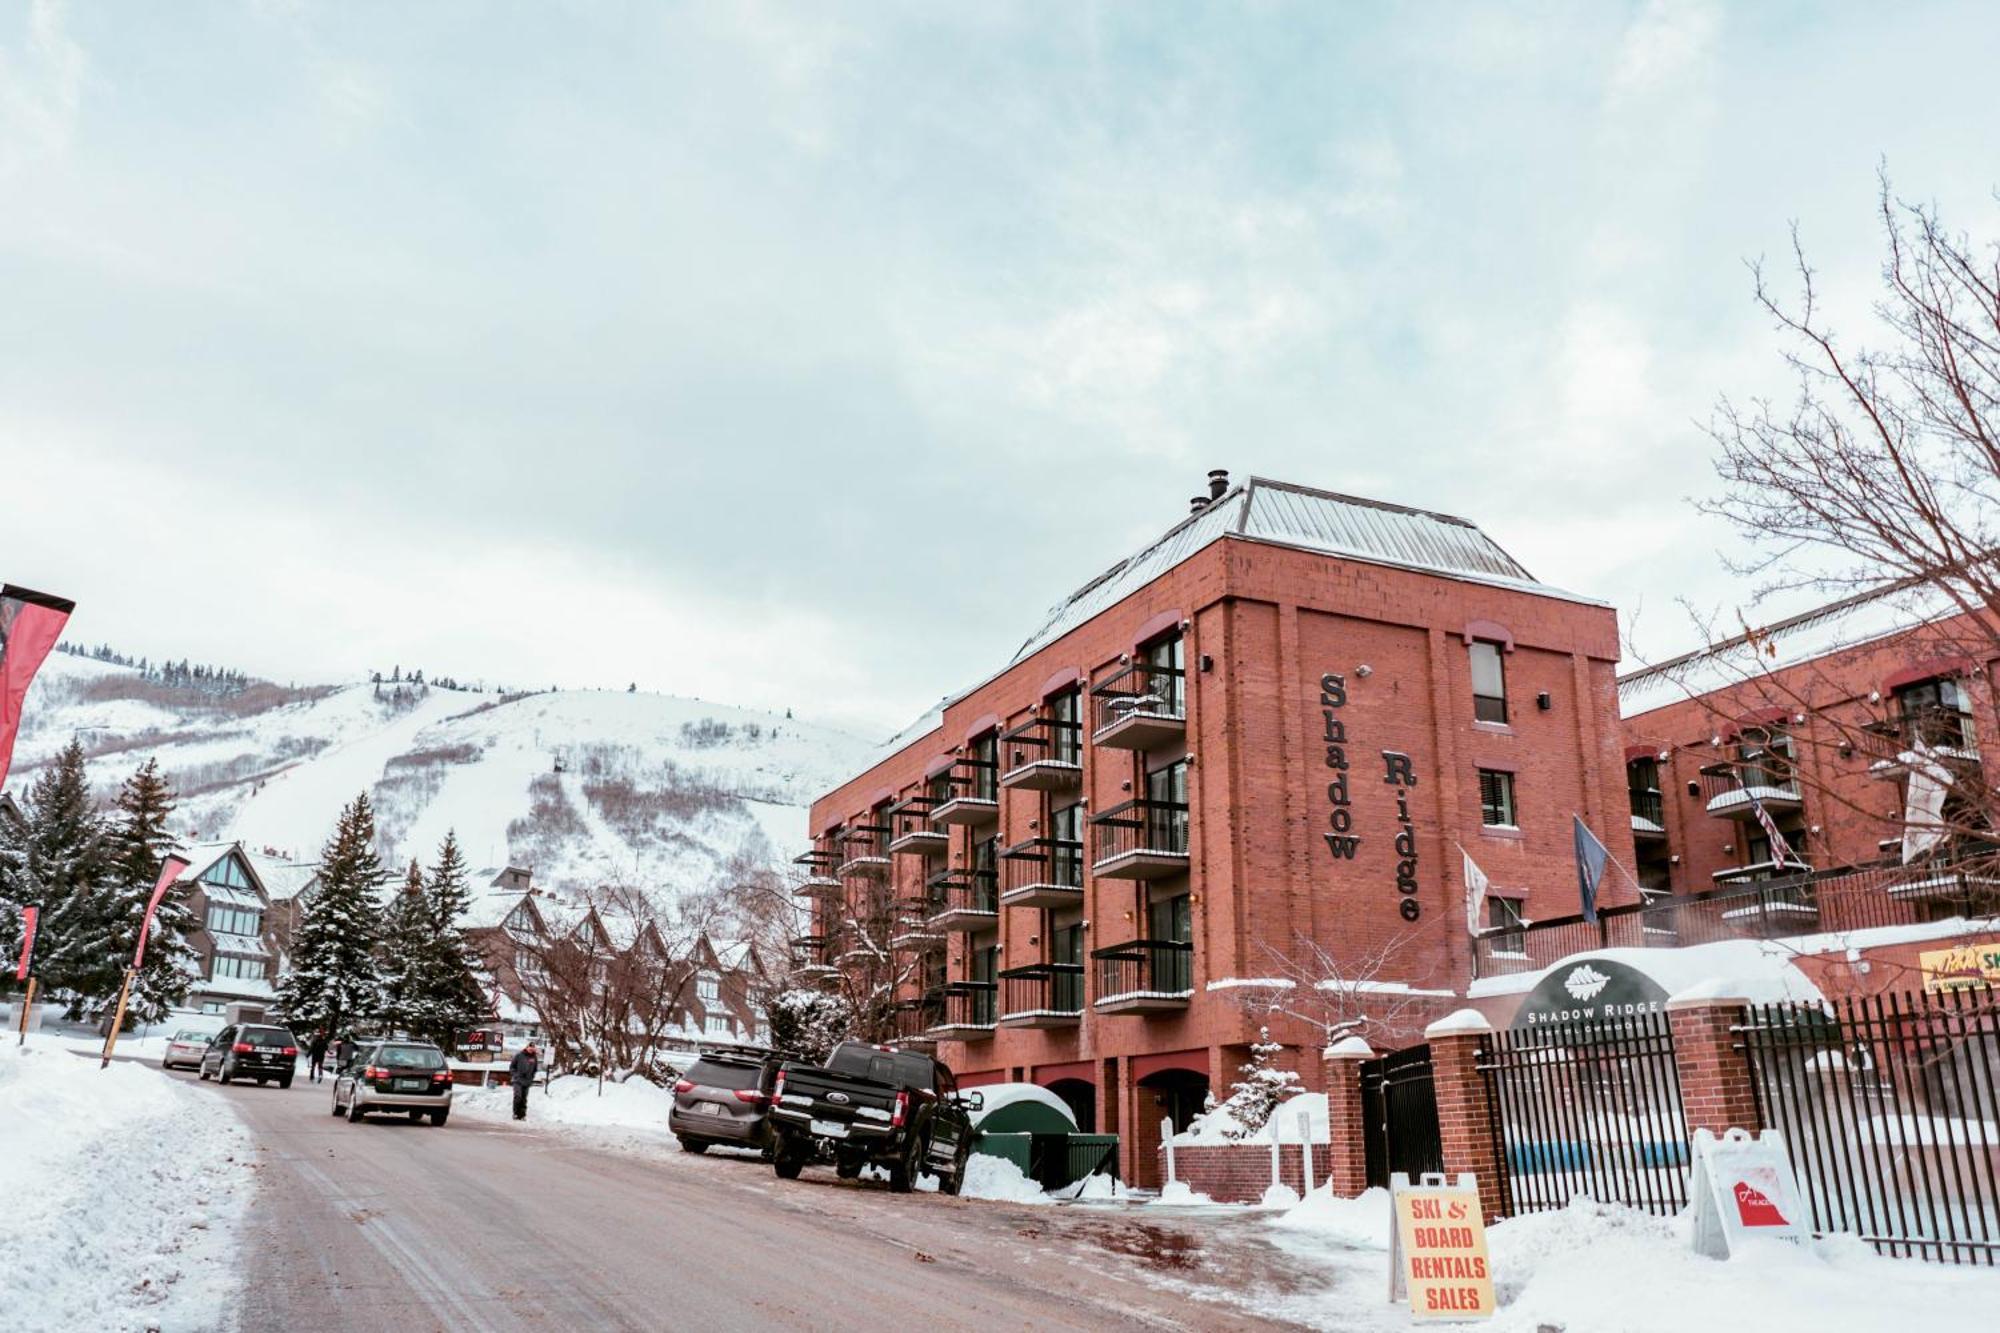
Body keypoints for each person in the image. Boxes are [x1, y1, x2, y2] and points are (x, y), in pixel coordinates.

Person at [509, 1041, 540, 1121]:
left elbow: (535, 1069)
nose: (531, 1049)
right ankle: (515, 1113)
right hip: (518, 1080)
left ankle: (522, 1115)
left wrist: (531, 1077)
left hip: (527, 1081)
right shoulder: (519, 1055)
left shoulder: (534, 1057)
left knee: (524, 1098)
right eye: (530, 1047)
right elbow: (512, 1067)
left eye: (532, 1048)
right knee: (518, 1096)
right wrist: (516, 1075)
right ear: (527, 1047)